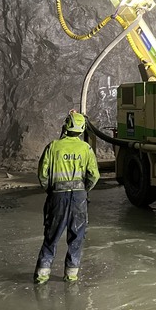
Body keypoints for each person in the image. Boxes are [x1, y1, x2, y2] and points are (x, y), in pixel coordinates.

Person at [34, 110, 99, 284]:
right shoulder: (86, 149)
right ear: (82, 129)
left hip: (57, 197)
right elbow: (94, 176)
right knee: (76, 237)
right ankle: (71, 276)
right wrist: (84, 190)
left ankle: (42, 275)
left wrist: (51, 190)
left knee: (51, 237)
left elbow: (42, 175)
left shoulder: (53, 147)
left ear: (66, 126)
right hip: (79, 198)